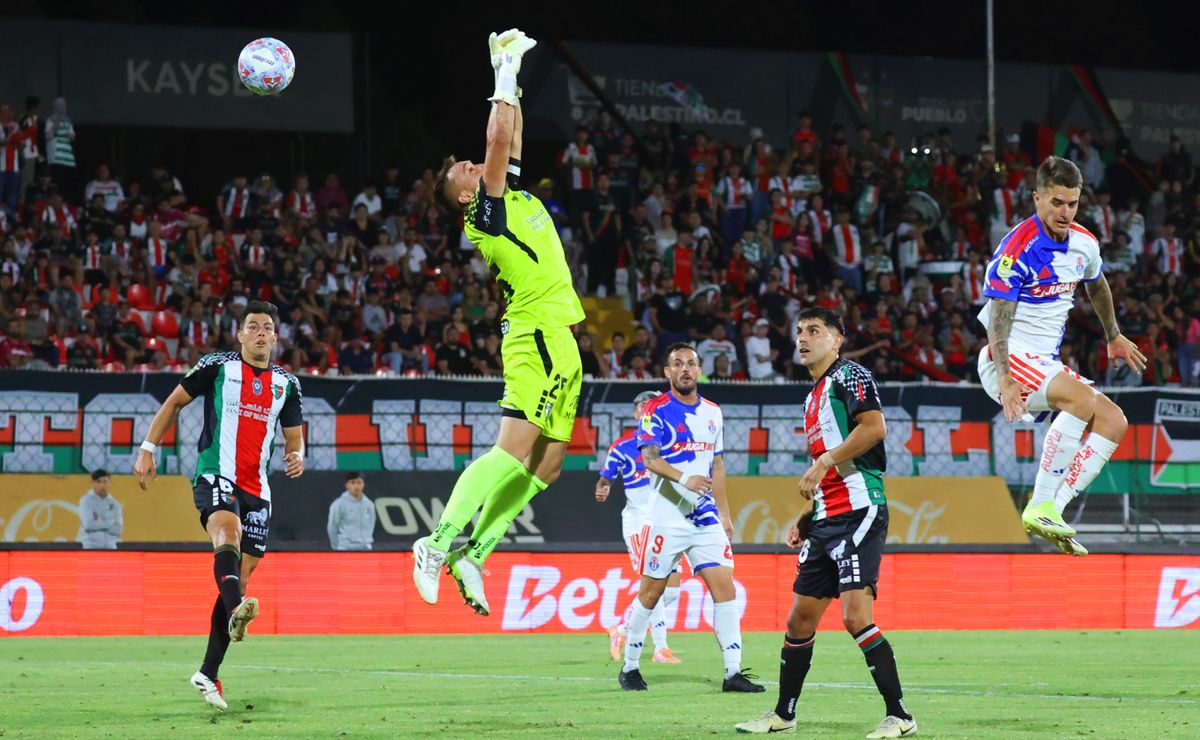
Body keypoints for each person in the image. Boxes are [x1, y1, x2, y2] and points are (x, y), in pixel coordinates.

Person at [416, 28, 585, 615]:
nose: (469, 166)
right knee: (513, 451)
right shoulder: (484, 216)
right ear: (465, 197)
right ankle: (436, 543)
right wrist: (504, 74)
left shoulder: (509, 196)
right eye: (460, 173)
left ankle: (475, 554)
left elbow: (506, 137)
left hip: (562, 339)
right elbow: (493, 141)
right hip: (533, 333)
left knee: (550, 461)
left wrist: (508, 72)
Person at [736, 308, 916, 738]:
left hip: (859, 509)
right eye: (799, 331)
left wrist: (824, 461)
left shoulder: (850, 375)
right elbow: (829, 465)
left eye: (814, 331)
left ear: (836, 341)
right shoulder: (813, 394)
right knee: (799, 620)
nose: (802, 338)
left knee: (856, 616)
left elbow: (874, 428)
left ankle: (900, 716)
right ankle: (784, 713)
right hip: (826, 514)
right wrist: (806, 513)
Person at [133, 300, 305, 712]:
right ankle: (236, 612)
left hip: (258, 488)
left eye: (268, 327)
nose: (261, 332)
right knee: (227, 533)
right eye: (253, 326)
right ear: (241, 335)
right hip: (217, 474)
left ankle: (208, 672)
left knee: (240, 579)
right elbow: (174, 402)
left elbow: (294, 435)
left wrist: (298, 455)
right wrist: (147, 448)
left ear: (275, 337)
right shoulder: (217, 366)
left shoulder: (288, 384)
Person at [977, 157, 1146, 556]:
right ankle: (1040, 502)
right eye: (1056, 203)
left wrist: (1114, 335)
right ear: (1037, 198)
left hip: (1044, 362)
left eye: (1072, 203)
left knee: (1113, 421)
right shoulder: (1016, 250)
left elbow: (1098, 284)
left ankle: (1052, 507)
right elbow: (997, 321)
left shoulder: (1084, 243)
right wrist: (1004, 378)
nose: (1065, 212)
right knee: (1082, 401)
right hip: (1006, 358)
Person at [618, 342, 762, 693]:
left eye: (691, 364)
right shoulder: (655, 410)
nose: (685, 369)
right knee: (651, 594)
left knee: (724, 587)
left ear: (699, 370)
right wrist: (685, 479)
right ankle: (630, 666)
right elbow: (650, 459)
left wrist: (725, 515)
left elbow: (717, 464)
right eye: (677, 364)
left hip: (704, 517)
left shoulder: (713, 412)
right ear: (667, 373)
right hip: (666, 517)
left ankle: (733, 672)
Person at [595, 391, 681, 665]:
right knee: (653, 584)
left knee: (671, 591)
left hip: (666, 521)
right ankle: (661, 648)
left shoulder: (672, 445)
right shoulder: (622, 446)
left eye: (653, 405)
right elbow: (605, 477)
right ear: (635, 414)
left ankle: (620, 629)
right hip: (638, 523)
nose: (648, 409)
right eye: (643, 405)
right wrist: (603, 488)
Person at [327, 471, 376, 551]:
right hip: (346, 547)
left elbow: (371, 524)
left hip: (365, 546)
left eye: (359, 483)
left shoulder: (369, 504)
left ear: (363, 485)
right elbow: (332, 527)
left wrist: (366, 539)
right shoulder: (339, 504)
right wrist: (336, 547)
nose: (356, 486)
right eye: (353, 483)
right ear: (347, 485)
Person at [77, 468, 122, 550]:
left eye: (105, 482)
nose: (102, 485)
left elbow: (118, 530)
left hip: (110, 548)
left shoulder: (115, 504)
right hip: (89, 546)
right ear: (93, 483)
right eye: (98, 482)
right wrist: (109, 523)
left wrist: (98, 521)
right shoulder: (85, 501)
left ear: (109, 483)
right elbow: (88, 525)